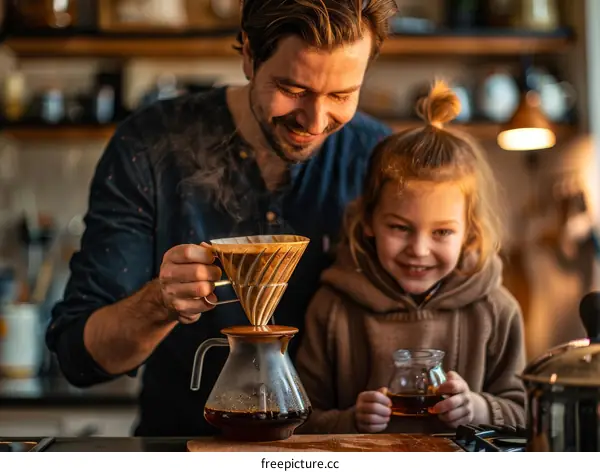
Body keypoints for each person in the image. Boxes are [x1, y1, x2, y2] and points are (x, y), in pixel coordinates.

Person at [46, 0, 398, 437]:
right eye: (293, 89)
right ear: (249, 55)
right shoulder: (151, 146)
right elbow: (79, 358)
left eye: (342, 95)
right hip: (181, 447)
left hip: (340, 451)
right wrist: (160, 302)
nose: (315, 120)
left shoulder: (379, 158)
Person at [295, 81, 527, 435]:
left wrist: (477, 407)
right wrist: (351, 420)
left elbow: (526, 412)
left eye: (442, 232)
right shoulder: (332, 309)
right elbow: (301, 419)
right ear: (369, 221)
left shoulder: (497, 311)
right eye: (401, 228)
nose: (419, 250)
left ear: (470, 233)